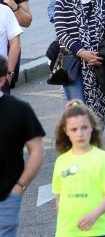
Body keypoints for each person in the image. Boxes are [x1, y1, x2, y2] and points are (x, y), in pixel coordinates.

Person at [53, 0, 105, 125]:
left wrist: (99, 55)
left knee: (98, 113)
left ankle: (94, 148)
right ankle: (79, 148)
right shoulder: (63, 2)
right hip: (73, 64)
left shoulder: (101, 1)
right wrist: (82, 52)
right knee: (79, 112)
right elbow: (62, 33)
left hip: (98, 62)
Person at [52, 100, 105, 237]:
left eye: (84, 127)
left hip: (98, 230)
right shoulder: (61, 161)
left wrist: (94, 215)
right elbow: (59, 197)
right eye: (74, 129)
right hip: (67, 232)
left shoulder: (103, 158)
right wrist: (63, 226)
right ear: (65, 131)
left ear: (92, 127)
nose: (80, 134)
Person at [0, 55, 45, 237]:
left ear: (2, 79)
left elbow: (37, 150)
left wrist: (20, 185)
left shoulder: (20, 109)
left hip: (6, 194)